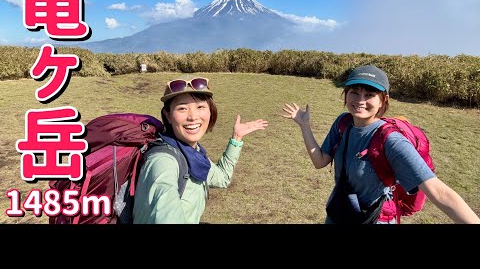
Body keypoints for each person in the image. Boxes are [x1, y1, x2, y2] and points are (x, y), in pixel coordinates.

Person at [282, 64, 480, 224]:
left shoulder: (391, 140)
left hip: (374, 218)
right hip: (340, 211)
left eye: (369, 94)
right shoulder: (343, 123)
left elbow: (439, 192)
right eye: (354, 92)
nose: (360, 100)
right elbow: (320, 161)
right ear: (345, 94)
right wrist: (304, 126)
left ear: (383, 100)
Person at [133, 76, 269, 224]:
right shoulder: (163, 162)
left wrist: (236, 138)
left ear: (210, 111)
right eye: (182, 108)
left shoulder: (193, 153)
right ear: (168, 116)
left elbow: (222, 178)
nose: (193, 117)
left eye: (200, 107)